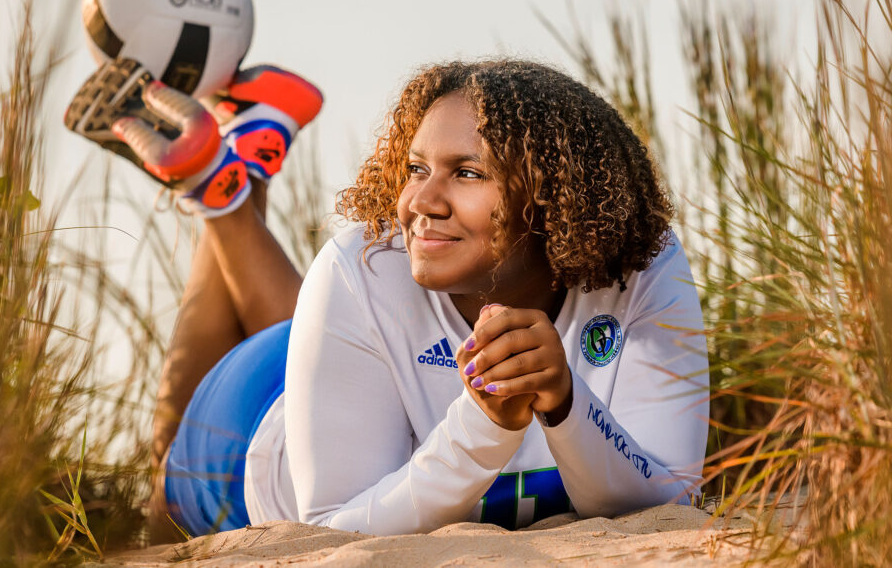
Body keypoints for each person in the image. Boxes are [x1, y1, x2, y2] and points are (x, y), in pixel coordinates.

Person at [72, 58, 708, 539]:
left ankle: (224, 175)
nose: (420, 203)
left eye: (467, 172)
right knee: (159, 503)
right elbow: (330, 531)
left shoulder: (643, 265)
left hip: (340, 359)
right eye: (415, 168)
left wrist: (567, 404)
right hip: (246, 429)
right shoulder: (363, 264)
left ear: (556, 197)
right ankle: (219, 192)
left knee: (345, 326)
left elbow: (667, 501)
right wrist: (483, 427)